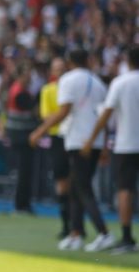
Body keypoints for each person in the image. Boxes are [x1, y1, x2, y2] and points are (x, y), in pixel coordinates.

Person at [30, 49, 112, 251]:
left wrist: (40, 131)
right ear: (88, 60)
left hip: (78, 140)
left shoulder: (68, 80)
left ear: (69, 62)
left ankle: (104, 233)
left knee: (82, 188)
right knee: (76, 186)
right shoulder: (99, 83)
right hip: (94, 140)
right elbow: (104, 115)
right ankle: (76, 234)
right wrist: (102, 145)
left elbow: (64, 111)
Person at [82, 44, 139, 254]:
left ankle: (127, 238)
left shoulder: (121, 82)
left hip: (126, 144)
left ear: (128, 61)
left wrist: (92, 140)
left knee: (125, 190)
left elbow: (105, 115)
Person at [37, 57, 72, 240]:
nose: (59, 72)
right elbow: (47, 117)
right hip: (58, 138)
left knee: (74, 182)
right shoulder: (48, 90)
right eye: (56, 69)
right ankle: (67, 225)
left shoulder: (73, 89)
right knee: (62, 182)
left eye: (62, 68)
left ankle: (75, 227)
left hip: (74, 137)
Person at [4, 61, 39, 214]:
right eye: (27, 74)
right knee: (24, 172)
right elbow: (35, 111)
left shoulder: (17, 89)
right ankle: (21, 204)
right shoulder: (20, 92)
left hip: (18, 134)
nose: (30, 77)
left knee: (24, 171)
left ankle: (22, 203)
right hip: (21, 135)